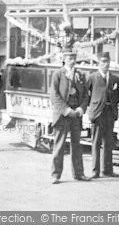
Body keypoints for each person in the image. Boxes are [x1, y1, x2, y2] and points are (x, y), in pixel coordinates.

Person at [50, 50, 90, 184]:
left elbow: (85, 95)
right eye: (69, 58)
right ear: (64, 58)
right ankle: (55, 175)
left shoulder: (80, 75)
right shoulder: (58, 74)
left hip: (76, 115)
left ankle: (79, 174)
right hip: (62, 115)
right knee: (59, 145)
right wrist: (66, 110)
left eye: (74, 58)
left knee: (77, 145)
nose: (72, 60)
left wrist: (81, 108)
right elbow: (54, 95)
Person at [86, 52, 119, 179]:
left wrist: (111, 104)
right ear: (98, 63)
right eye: (103, 62)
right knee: (96, 142)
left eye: (107, 62)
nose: (105, 64)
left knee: (109, 142)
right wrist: (95, 105)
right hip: (98, 114)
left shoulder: (114, 79)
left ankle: (107, 170)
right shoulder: (92, 77)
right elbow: (87, 95)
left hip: (110, 113)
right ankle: (95, 171)